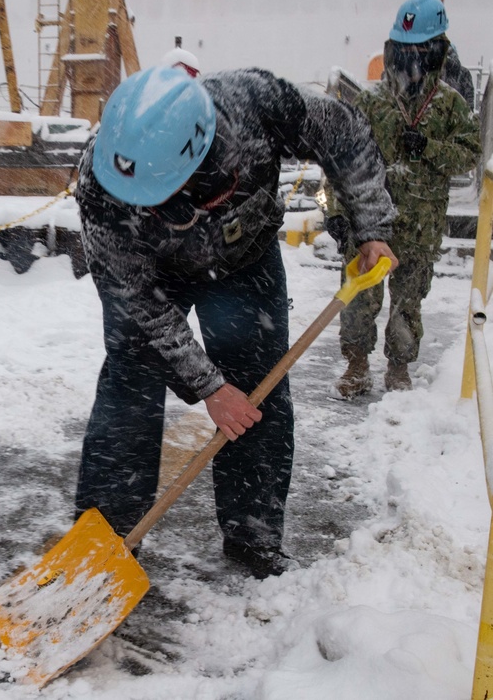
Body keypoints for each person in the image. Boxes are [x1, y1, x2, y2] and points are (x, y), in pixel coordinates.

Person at [74, 65, 399, 579]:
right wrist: (208, 388)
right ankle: (104, 540)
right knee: (128, 387)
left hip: (244, 257)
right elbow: (137, 306)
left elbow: (345, 133)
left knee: (258, 392)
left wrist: (371, 227)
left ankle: (254, 534)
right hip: (154, 275)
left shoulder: (258, 104)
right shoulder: (102, 183)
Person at [328, 0, 481, 398]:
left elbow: (470, 154)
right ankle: (357, 365)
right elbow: (345, 157)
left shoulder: (450, 105)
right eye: (404, 49)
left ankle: (398, 367)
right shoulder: (372, 101)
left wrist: (428, 146)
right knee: (360, 299)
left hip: (420, 225)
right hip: (371, 224)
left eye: (420, 50)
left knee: (407, 304)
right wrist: (339, 210)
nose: (410, 58)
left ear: (436, 51)